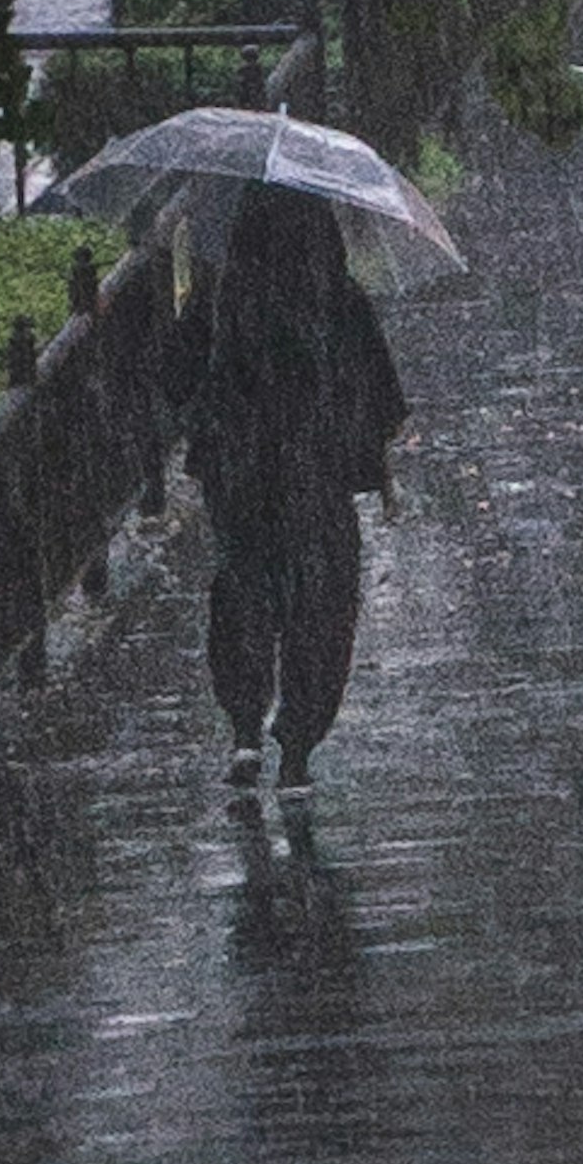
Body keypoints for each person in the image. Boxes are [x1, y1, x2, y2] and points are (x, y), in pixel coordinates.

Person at [159, 180, 409, 787]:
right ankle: (297, 739)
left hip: (240, 476)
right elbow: (380, 399)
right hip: (315, 476)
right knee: (320, 607)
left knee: (246, 589)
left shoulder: (222, 297)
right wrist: (375, 467)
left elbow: (172, 381)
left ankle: (244, 727)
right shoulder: (339, 301)